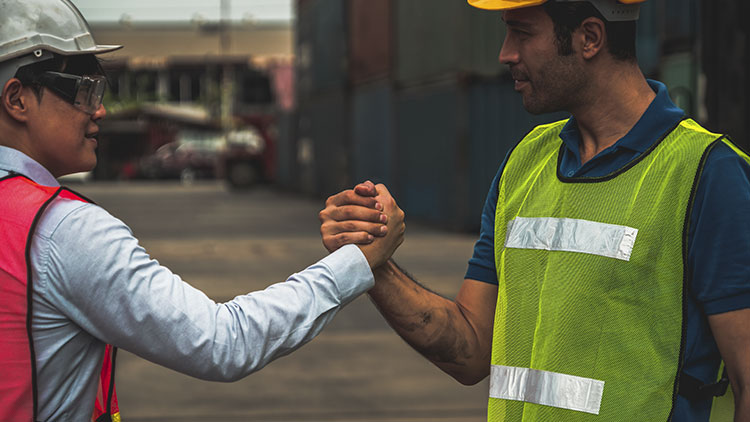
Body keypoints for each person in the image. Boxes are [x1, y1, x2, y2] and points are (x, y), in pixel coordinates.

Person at [319, 0, 750, 420]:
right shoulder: (526, 162)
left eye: (521, 33)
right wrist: (372, 263)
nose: (505, 54)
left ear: (590, 37)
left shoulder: (707, 175)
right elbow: (470, 348)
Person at [0, 1, 405, 420]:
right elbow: (221, 342)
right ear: (18, 99)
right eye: (84, 91)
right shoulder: (61, 231)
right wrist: (354, 263)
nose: (99, 109)